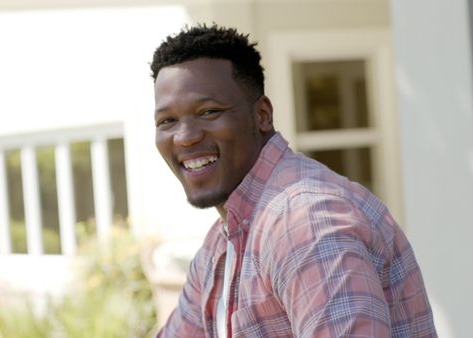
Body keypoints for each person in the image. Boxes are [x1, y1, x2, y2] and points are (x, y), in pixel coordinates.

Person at [150, 24, 436, 337]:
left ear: (262, 115)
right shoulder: (222, 243)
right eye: (168, 121)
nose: (186, 137)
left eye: (208, 111)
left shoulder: (305, 222)